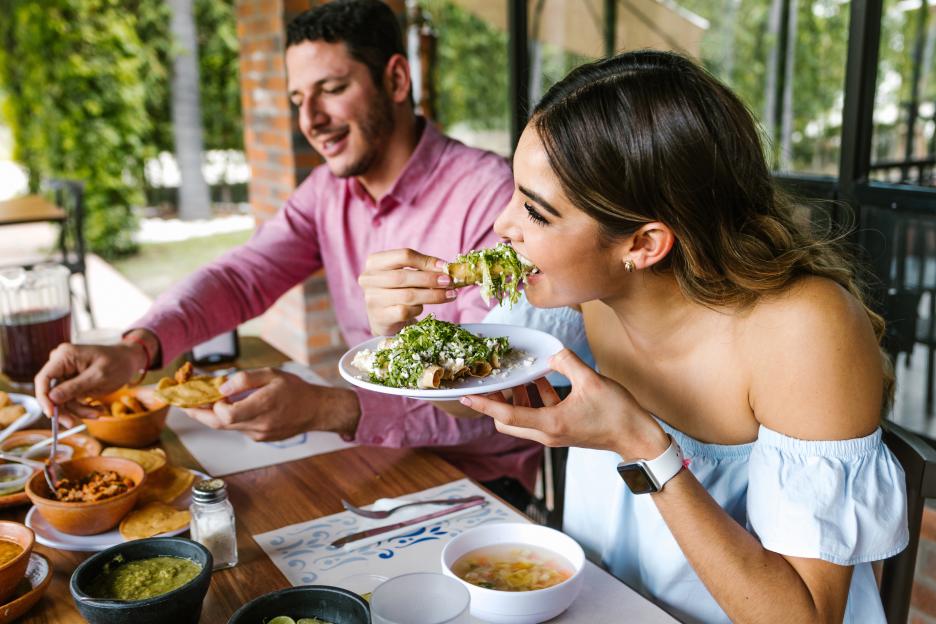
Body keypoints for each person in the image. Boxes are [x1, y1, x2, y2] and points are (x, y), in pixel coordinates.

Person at [363, 51, 908, 623]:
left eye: (537, 212)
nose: (503, 226)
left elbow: (804, 619)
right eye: (515, 191)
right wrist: (403, 341)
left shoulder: (804, 330)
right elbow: (476, 405)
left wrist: (643, 447)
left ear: (645, 244)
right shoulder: (584, 291)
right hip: (604, 602)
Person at [33, 0, 541, 508]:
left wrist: (328, 409)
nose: (310, 120)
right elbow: (243, 277)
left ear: (397, 80)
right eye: (298, 98)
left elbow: (496, 404)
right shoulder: (326, 192)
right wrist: (137, 348)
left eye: (333, 89)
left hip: (480, 484)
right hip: (371, 457)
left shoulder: (490, 197)